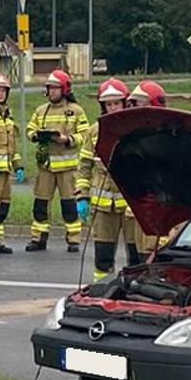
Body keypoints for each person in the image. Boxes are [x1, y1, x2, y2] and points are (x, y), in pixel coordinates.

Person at [79, 79, 139, 280]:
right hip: (103, 208)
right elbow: (84, 166)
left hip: (131, 207)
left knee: (136, 258)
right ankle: (101, 289)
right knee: (103, 257)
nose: (113, 108)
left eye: (116, 103)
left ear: (124, 103)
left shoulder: (135, 130)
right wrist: (81, 197)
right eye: (108, 104)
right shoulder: (93, 132)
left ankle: (134, 291)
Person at [25, 70, 88, 252]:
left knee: (69, 205)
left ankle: (74, 240)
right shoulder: (41, 111)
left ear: (64, 89)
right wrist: (36, 136)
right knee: (40, 204)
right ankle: (38, 238)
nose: (52, 91)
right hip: (46, 168)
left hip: (68, 169)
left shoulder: (76, 111)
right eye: (50, 88)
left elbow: (85, 135)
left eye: (55, 88)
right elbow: (30, 129)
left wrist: (67, 140)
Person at [127, 80, 174, 257]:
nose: (133, 108)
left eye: (138, 103)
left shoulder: (169, 135)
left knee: (155, 256)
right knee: (139, 256)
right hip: (140, 208)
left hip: (161, 208)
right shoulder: (133, 135)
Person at [0, 73, 21, 255]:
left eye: (3, 90)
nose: (0, 93)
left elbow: (12, 146)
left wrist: (18, 166)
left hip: (6, 171)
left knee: (3, 207)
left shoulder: (8, 116)